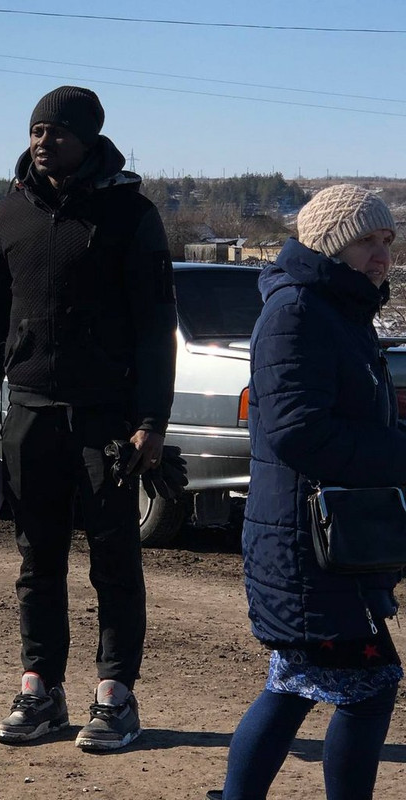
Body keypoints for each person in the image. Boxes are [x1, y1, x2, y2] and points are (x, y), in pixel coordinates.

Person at [0, 86, 177, 751]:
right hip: (29, 416)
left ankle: (115, 696)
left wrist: (152, 420)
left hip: (108, 422)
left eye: (56, 131)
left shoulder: (130, 214)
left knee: (115, 561)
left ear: (87, 139)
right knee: (37, 560)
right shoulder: (8, 216)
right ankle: (41, 691)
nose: (42, 140)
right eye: (35, 130)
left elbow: (155, 328)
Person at [207, 184, 405, 800]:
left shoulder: (339, 310)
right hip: (305, 546)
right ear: (329, 245)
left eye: (388, 241)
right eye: (366, 242)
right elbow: (299, 431)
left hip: (326, 541)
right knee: (370, 687)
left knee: (294, 684)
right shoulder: (297, 312)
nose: (382, 256)